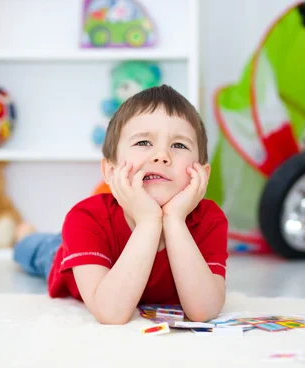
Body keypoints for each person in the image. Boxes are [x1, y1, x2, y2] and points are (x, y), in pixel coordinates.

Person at [13, 84, 229, 325]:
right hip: (61, 255)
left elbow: (203, 311)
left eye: (179, 145)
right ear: (110, 170)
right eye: (143, 143)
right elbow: (111, 313)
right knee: (36, 249)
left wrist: (174, 220)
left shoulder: (210, 219)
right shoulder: (86, 217)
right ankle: (26, 234)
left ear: (202, 173)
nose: (162, 156)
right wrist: (148, 221)